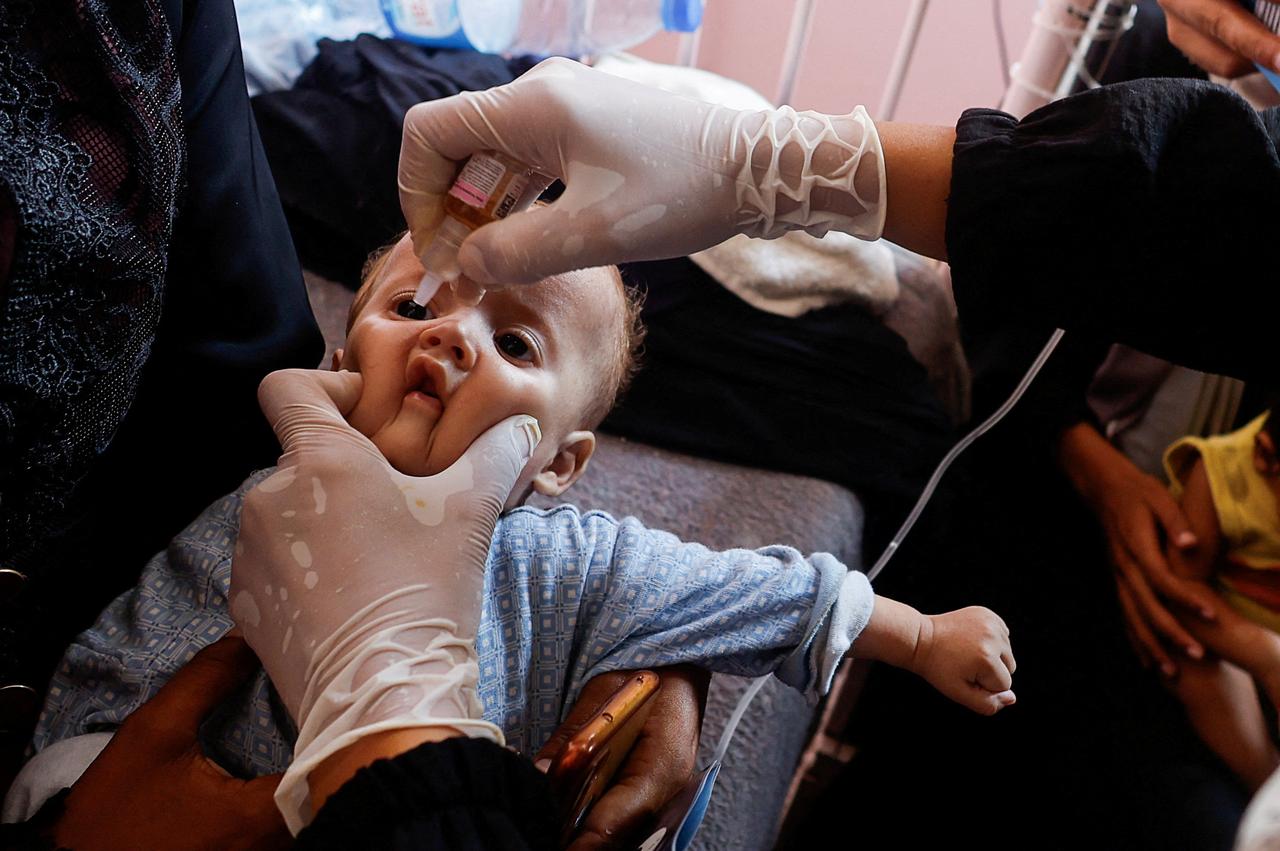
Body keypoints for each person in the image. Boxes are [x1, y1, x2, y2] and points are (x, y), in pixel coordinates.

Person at [15, 233, 1016, 833]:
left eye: (516, 340)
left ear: (557, 463)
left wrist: (917, 635)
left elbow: (742, 586)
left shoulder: (565, 560)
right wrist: (69, 785)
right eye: (414, 304)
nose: (451, 334)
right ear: (335, 358)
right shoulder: (257, 514)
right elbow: (116, 670)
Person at [1156, 407, 1280, 790]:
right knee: (1192, 662)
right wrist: (1267, 656)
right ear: (1265, 455)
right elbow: (1180, 588)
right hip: (1229, 642)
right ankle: (1266, 785)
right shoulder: (1221, 473)